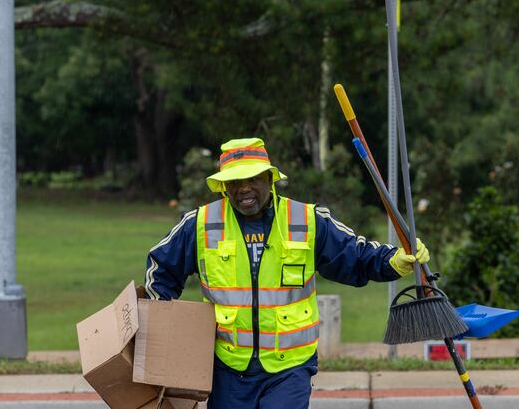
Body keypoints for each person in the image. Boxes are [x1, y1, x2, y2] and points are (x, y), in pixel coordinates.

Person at [144, 137, 428, 409]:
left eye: (253, 179)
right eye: (234, 182)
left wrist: (393, 260)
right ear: (223, 187)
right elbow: (162, 270)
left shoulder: (305, 220)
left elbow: (354, 256)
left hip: (289, 369)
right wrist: (165, 330)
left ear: (270, 180)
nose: (244, 189)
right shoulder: (202, 224)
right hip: (227, 368)